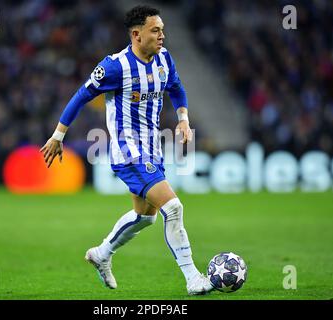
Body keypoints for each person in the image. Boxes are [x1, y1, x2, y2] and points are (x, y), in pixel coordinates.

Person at [40, 5, 214, 295]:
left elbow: (177, 87)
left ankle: (102, 253)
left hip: (152, 148)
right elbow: (81, 95)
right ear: (137, 34)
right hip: (127, 151)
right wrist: (58, 136)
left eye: (162, 29)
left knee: (146, 216)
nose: (162, 35)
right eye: (155, 30)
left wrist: (183, 119)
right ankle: (193, 278)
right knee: (173, 206)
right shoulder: (114, 66)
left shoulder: (164, 59)